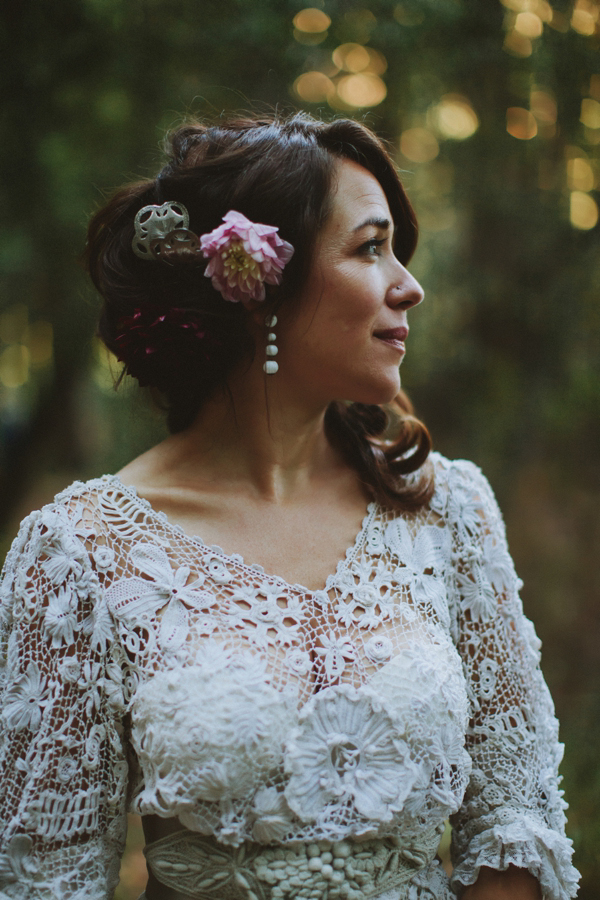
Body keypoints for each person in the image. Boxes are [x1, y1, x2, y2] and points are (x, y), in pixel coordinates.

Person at [0, 113, 579, 900]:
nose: (409, 284)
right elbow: (47, 879)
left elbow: (516, 816)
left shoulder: (450, 510)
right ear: (257, 289)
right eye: (371, 248)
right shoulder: (80, 553)